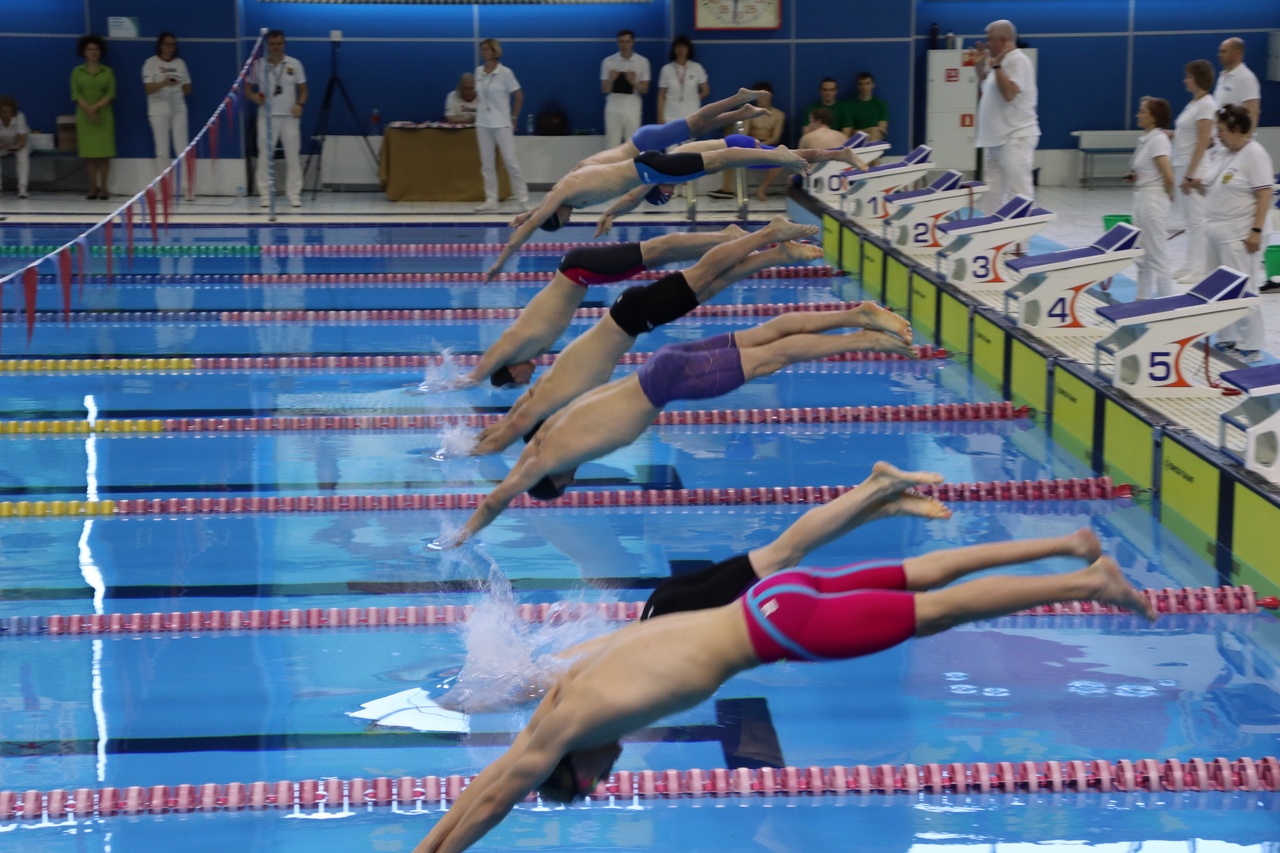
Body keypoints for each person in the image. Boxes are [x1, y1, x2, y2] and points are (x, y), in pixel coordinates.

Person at [410, 535, 1155, 851]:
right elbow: (499, 775)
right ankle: (1066, 545)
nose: (611, 771)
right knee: (921, 574)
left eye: (598, 774)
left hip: (784, 628)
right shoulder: (571, 677)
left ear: (573, 763)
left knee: (942, 609)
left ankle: (1088, 580)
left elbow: (496, 789)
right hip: (772, 598)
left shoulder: (578, 718)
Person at [437, 294, 916, 547]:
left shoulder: (547, 462)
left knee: (774, 357)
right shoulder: (544, 436)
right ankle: (856, 313)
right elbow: (512, 439)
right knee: (766, 336)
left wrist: (460, 536)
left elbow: (499, 498)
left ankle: (869, 338)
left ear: (556, 484)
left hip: (664, 384)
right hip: (657, 364)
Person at [469, 220, 838, 456]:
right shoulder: (541, 396)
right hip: (631, 317)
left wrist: (467, 453)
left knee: (705, 273)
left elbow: (511, 428)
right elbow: (510, 422)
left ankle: (767, 235)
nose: (526, 380)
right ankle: (775, 254)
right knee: (710, 285)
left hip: (632, 317)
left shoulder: (543, 401)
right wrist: (475, 439)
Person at [642, 462, 955, 620]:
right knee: (785, 554)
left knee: (784, 554)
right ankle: (885, 505)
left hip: (671, 616)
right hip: (662, 608)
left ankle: (876, 488)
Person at [464, 225, 752, 388]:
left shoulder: (513, 346)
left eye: (519, 382)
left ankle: (726, 237)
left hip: (578, 272)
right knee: (658, 255)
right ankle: (724, 240)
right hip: (580, 274)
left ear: (513, 372)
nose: (526, 382)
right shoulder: (528, 350)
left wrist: (465, 381)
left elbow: (490, 359)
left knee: (656, 251)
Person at [483, 140, 815, 281]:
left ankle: (777, 155)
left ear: (556, 215)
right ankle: (776, 155)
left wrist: (500, 262)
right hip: (650, 170)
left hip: (650, 168)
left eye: (562, 220)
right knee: (715, 162)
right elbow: (537, 215)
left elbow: (531, 227)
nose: (569, 218)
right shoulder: (562, 198)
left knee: (717, 160)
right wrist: (526, 215)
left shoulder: (563, 194)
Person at [591, 135, 867, 235]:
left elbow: (633, 197)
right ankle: (839, 154)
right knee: (794, 158)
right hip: (735, 153)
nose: (671, 192)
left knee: (792, 158)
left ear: (658, 188)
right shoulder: (665, 174)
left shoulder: (662, 171)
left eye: (666, 194)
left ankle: (840, 153)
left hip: (736, 147)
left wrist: (609, 213)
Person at [1190, 104, 1274, 361]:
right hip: (1215, 229)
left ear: (1237, 129)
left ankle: (1252, 344)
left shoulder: (1254, 154)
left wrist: (1256, 231)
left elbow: (1265, 193)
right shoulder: (1224, 153)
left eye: (1221, 129)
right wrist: (1198, 186)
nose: (1217, 134)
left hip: (1239, 232)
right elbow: (1216, 187)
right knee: (1219, 288)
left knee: (1244, 287)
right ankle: (1227, 337)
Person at [573, 86, 769, 172]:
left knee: (696, 121)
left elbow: (579, 171)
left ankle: (738, 98)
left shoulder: (585, 169)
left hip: (644, 142)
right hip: (644, 141)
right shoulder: (589, 168)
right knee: (697, 128)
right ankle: (742, 112)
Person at [973, 19, 1039, 214]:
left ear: (1003, 40)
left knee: (1019, 192)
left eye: (990, 40)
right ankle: (992, 238)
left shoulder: (1018, 60)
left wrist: (996, 67)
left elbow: (1009, 93)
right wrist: (980, 68)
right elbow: (989, 88)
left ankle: (1020, 243)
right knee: (992, 192)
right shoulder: (1001, 63)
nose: (986, 44)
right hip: (996, 139)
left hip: (1015, 136)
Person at [247, 30, 307, 209]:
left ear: (284, 44)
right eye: (273, 44)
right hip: (267, 118)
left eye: (279, 43)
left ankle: (294, 195)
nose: (276, 47)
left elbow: (304, 90)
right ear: (268, 45)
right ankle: (265, 195)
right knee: (265, 157)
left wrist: (300, 104)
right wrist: (254, 97)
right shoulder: (258, 65)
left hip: (290, 118)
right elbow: (248, 89)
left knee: (293, 158)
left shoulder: (294, 64)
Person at [1171, 60, 1219, 285]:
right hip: (1182, 164)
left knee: (1198, 221)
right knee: (1189, 221)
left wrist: (1190, 175)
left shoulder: (1207, 105)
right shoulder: (1193, 104)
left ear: (1198, 79)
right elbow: (1188, 134)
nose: (1184, 80)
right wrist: (1171, 135)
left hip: (1195, 167)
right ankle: (1190, 264)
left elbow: (1203, 142)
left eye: (1188, 76)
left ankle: (1201, 268)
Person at [472, 39, 530, 213]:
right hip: (482, 123)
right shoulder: (478, 72)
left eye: (486, 49)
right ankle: (491, 200)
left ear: (494, 51)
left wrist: (514, 116)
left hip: (502, 123)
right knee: (487, 164)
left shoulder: (505, 72)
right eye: (481, 50)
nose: (483, 52)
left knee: (511, 162)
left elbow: (519, 96)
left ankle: (523, 199)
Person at [1127, 97, 1175, 300]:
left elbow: (1169, 176)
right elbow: (1150, 170)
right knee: (1141, 253)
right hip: (1143, 197)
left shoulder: (1157, 140)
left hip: (1152, 200)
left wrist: (1167, 198)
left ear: (1154, 117)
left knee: (1156, 254)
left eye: (1143, 112)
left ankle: (1167, 303)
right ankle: (1142, 298)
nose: (1138, 115)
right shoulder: (1147, 138)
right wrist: (1138, 177)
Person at [709, 81, 785, 201]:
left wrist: (763, 146)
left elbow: (775, 137)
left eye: (761, 97)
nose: (759, 100)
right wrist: (752, 147)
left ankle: (761, 189)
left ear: (769, 96)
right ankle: (726, 188)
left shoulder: (779, 115)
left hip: (767, 145)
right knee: (730, 151)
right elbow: (744, 134)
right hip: (751, 144)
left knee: (781, 161)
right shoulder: (752, 112)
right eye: (757, 97)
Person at [142, 32, 193, 199]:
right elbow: (148, 89)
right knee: (162, 151)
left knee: (182, 150)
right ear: (160, 45)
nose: (170, 48)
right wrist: (164, 82)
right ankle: (162, 190)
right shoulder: (150, 63)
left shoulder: (180, 63)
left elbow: (188, 88)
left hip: (178, 110)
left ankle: (188, 189)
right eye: (167, 44)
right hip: (158, 111)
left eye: (173, 45)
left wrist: (176, 88)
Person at [71, 34, 116, 200]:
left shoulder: (108, 71)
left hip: (103, 115)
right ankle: (92, 188)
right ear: (84, 52)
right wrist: (88, 110)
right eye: (90, 49)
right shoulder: (77, 72)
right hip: (84, 117)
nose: (93, 52)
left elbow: (110, 93)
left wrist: (96, 107)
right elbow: (76, 94)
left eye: (96, 49)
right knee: (89, 156)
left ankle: (104, 188)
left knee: (104, 154)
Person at [601, 30, 651, 149]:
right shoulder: (608, 62)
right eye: (621, 42)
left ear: (632, 42)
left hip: (633, 110)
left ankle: (631, 168)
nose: (624, 45)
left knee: (632, 147)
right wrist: (611, 79)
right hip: (613, 109)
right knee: (612, 147)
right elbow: (604, 89)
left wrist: (633, 81)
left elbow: (645, 89)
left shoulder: (643, 62)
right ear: (617, 42)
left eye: (627, 41)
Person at [656, 35, 708, 127]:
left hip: (691, 115)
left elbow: (706, 90)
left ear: (688, 49)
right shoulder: (666, 69)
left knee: (690, 141)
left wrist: (693, 100)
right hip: (670, 116)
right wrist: (660, 116)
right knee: (670, 141)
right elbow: (661, 95)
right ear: (674, 49)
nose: (681, 50)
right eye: (678, 47)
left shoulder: (697, 68)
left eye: (683, 47)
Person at [1214, 37, 1261, 136]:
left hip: (1236, 141)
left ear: (1237, 54)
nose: (1219, 55)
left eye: (1224, 52)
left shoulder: (1246, 78)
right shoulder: (1223, 76)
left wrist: (1244, 142)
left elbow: (1253, 113)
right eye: (1219, 51)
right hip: (1221, 140)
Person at [844, 71, 889, 143]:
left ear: (873, 85)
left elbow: (882, 129)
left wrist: (871, 131)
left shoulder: (880, 104)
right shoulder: (849, 105)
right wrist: (870, 130)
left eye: (867, 83)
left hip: (876, 140)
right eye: (861, 84)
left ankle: (871, 151)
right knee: (874, 130)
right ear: (857, 86)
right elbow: (849, 133)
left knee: (876, 132)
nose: (864, 87)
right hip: (856, 141)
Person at [0, 95, 30, 198]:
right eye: (3, 111)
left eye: (9, 112)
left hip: (19, 144)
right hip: (3, 145)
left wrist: (17, 146)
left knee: (23, 156)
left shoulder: (20, 117)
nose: (6, 114)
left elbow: (22, 140)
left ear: (13, 111)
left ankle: (22, 189)